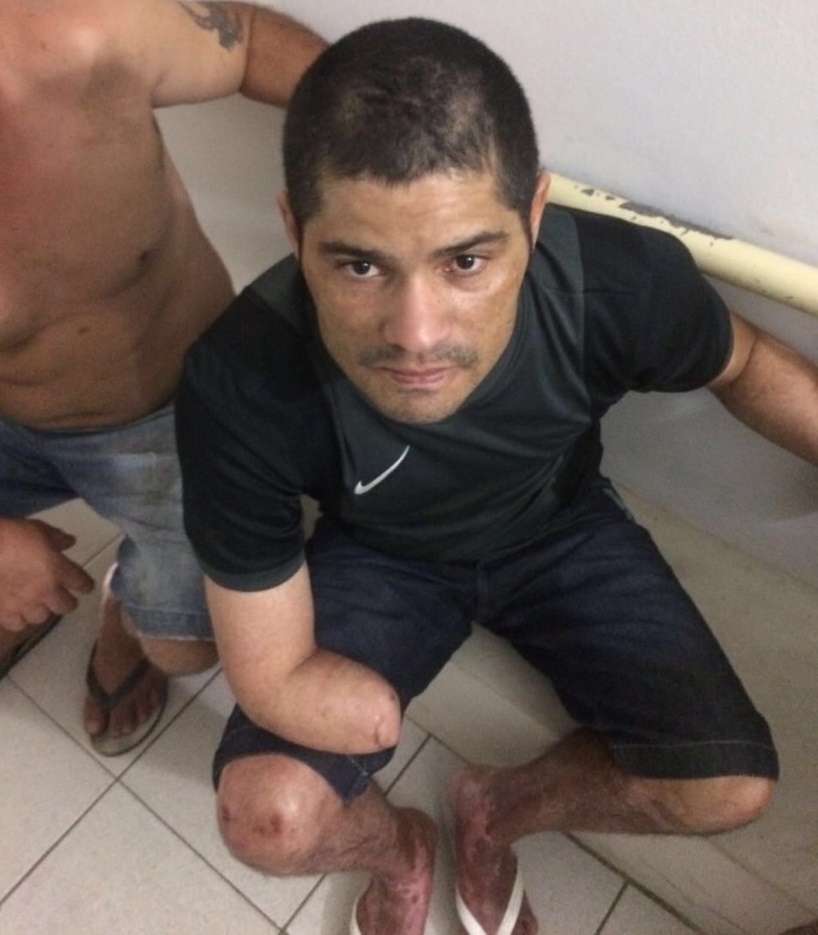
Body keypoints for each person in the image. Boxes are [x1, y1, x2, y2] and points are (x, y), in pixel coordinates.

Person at [174, 18, 818, 935]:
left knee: (728, 788)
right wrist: (333, 703)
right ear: (295, 230)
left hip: (562, 525)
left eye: (467, 260)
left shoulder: (613, 284)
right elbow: (269, 668)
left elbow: (745, 362)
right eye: (360, 264)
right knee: (268, 819)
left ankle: (494, 810)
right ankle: (401, 850)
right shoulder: (240, 380)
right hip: (379, 553)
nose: (418, 334)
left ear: (535, 217)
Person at [0, 0, 325, 755]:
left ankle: (126, 603)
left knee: (189, 644)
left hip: (171, 413)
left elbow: (245, 42)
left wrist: (404, 124)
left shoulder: (78, 28)